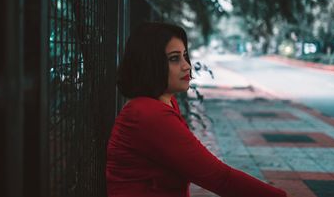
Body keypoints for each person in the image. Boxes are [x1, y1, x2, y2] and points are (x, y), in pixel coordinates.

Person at [106, 22, 287, 197]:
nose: (187, 65)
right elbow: (219, 178)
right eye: (174, 59)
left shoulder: (163, 102)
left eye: (185, 56)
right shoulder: (148, 114)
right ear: (150, 64)